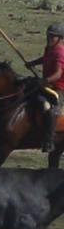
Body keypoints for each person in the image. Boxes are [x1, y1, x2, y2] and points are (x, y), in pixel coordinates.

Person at [26, 23, 64, 152]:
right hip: (47, 86)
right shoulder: (49, 48)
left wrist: (45, 80)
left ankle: (48, 141)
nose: (50, 39)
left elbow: (58, 73)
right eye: (49, 36)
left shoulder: (60, 52)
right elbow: (45, 58)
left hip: (58, 88)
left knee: (47, 108)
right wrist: (33, 63)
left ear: (59, 38)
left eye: (53, 37)